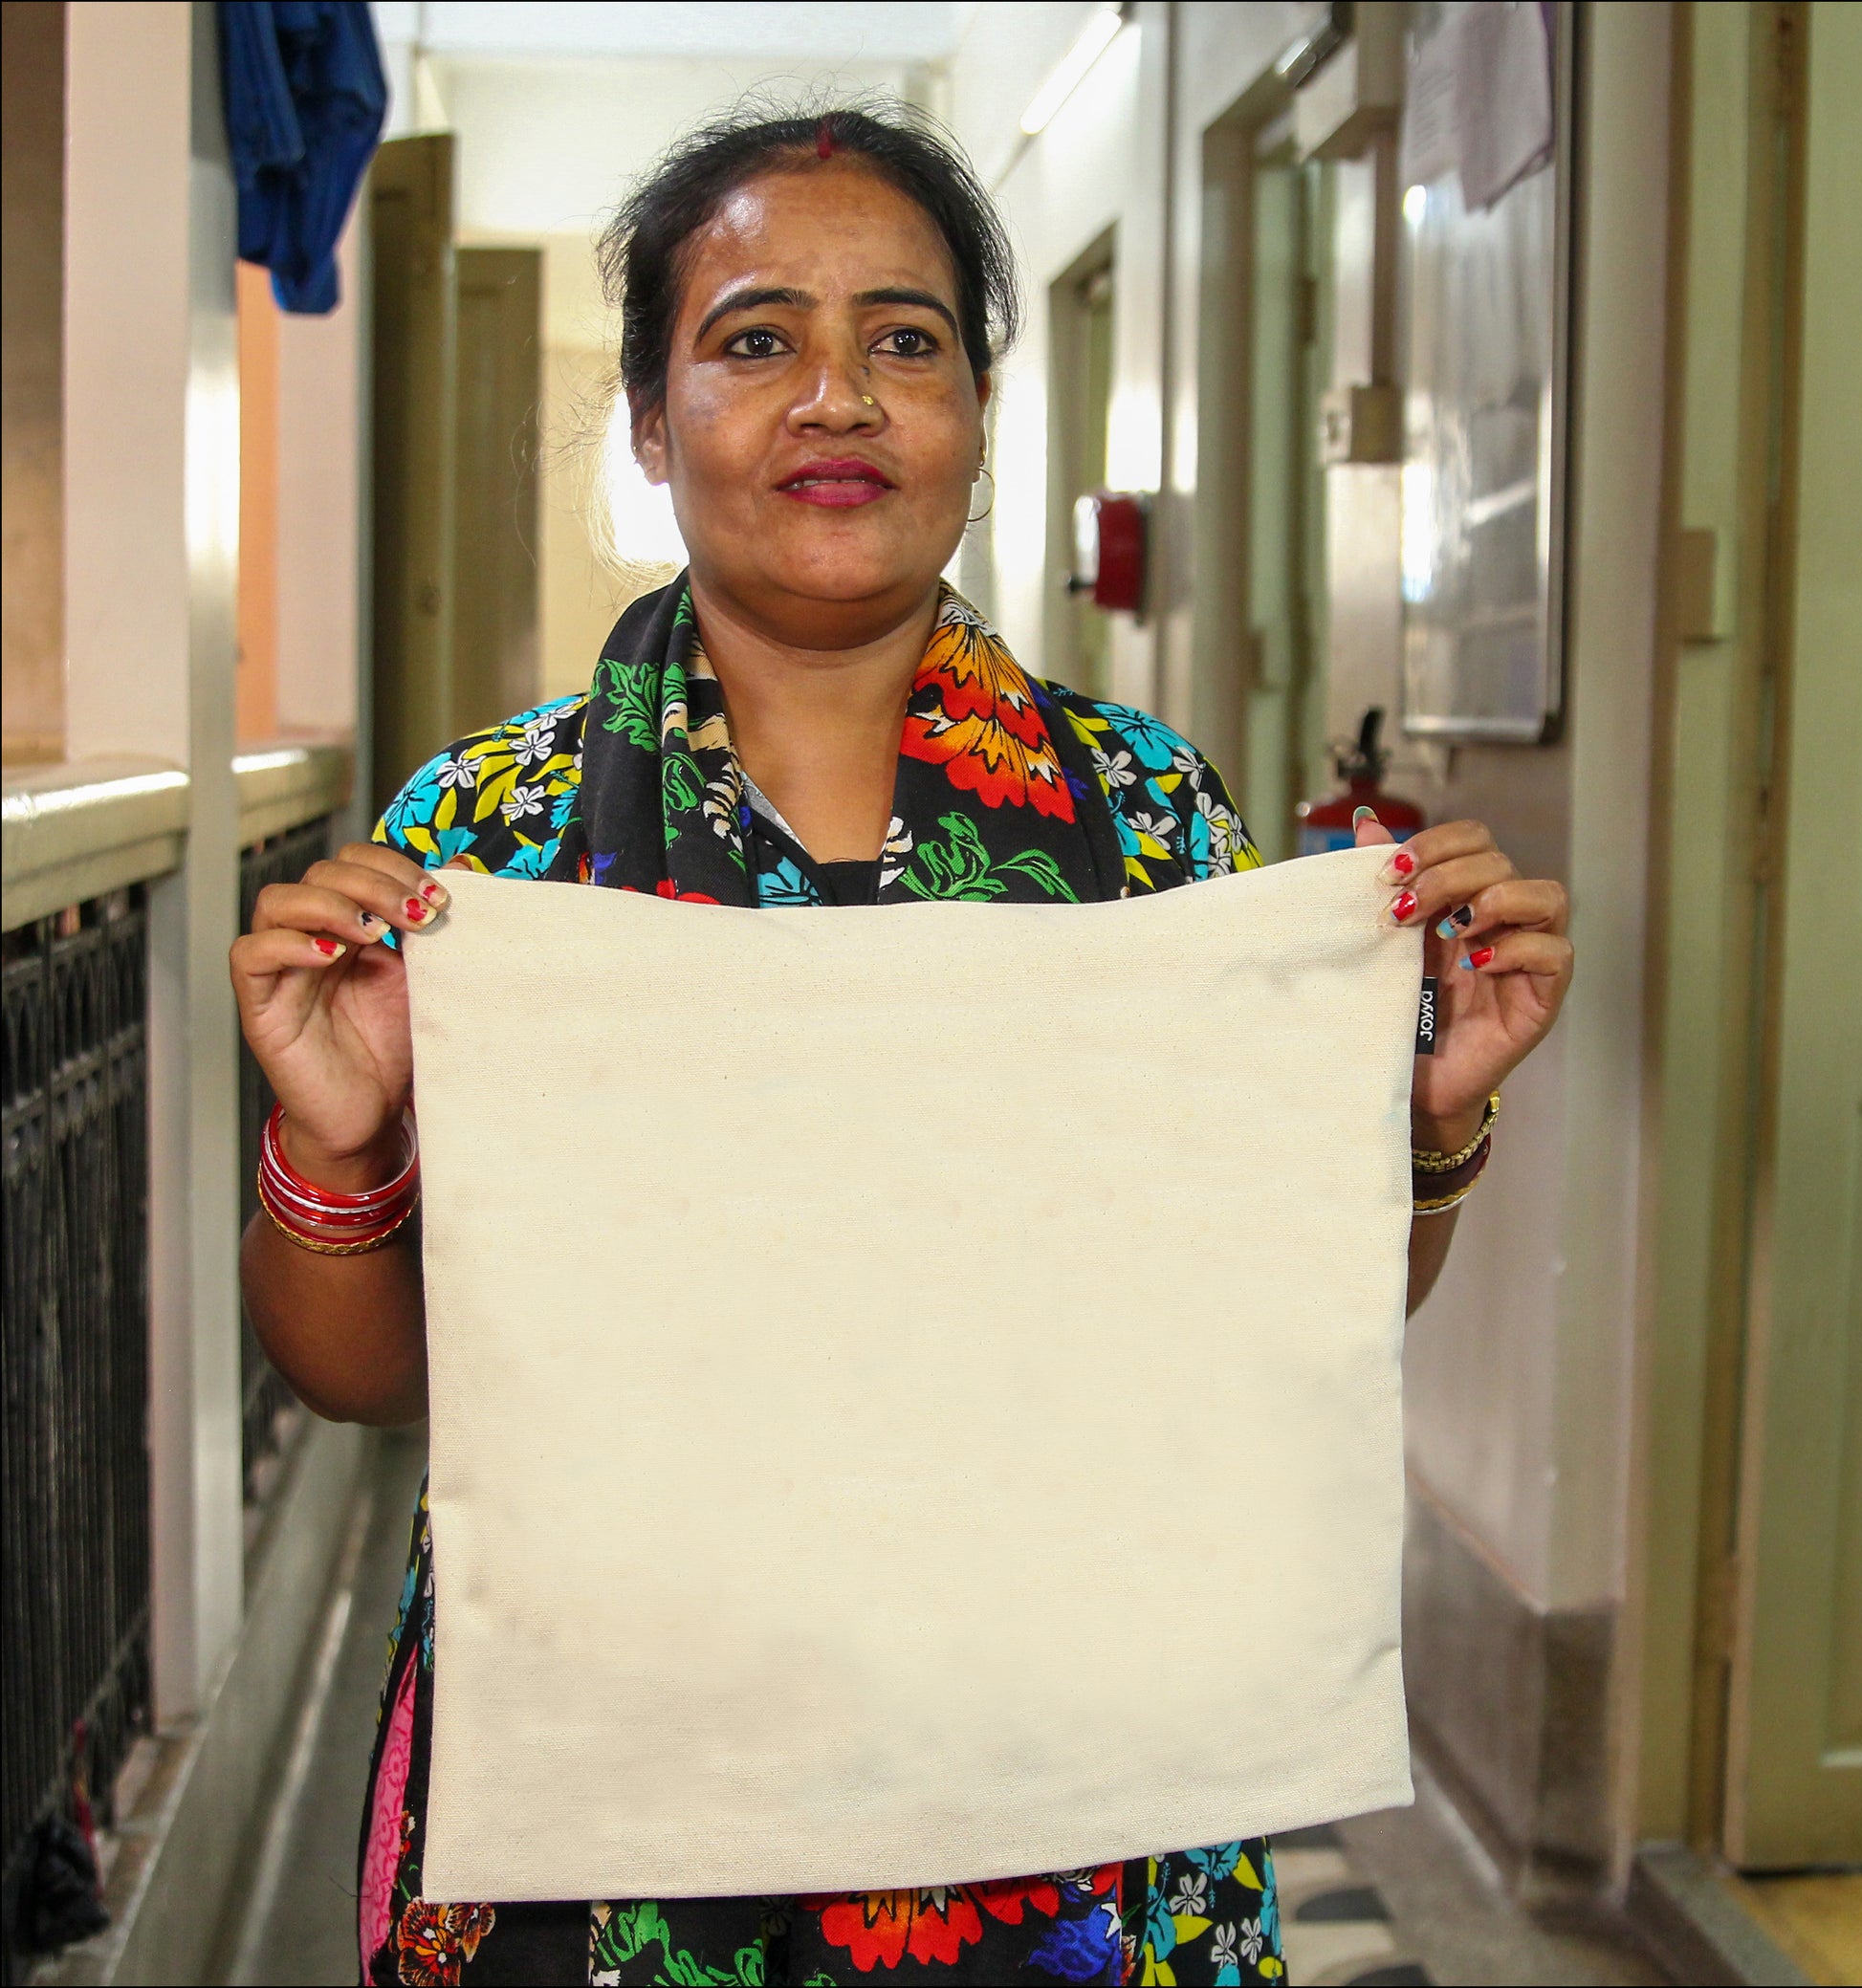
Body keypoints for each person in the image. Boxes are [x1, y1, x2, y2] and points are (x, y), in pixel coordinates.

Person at [230, 103, 1573, 1988]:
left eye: (905, 339)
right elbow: (367, 1378)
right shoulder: (491, 839)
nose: (838, 396)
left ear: (975, 413)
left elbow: (1266, 1320)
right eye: (756, 336)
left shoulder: (1149, 825)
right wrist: (339, 1145)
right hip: (617, 1803)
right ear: (648, 419)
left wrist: (1421, 1130)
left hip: (1065, 1784)